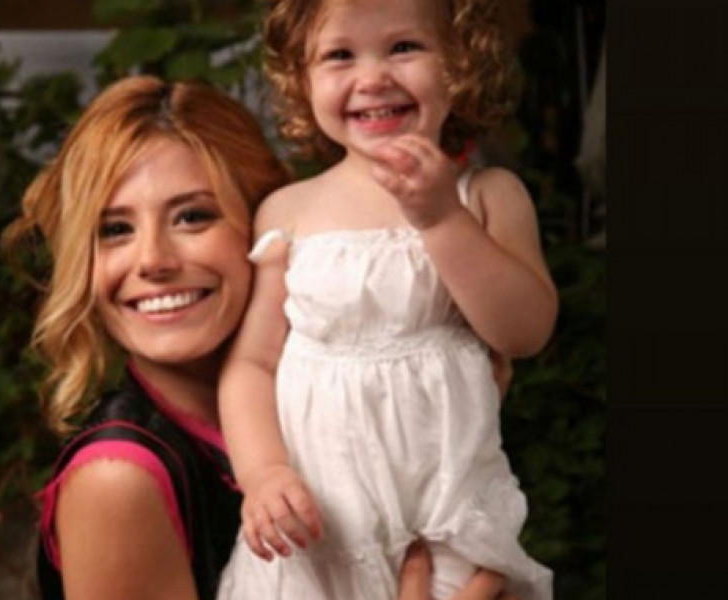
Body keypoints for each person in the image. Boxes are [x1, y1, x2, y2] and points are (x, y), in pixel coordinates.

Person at [1, 75, 519, 600]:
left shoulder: (342, 402)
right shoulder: (119, 477)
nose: (153, 260)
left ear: (267, 220)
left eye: (192, 217)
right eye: (114, 230)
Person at [216, 1, 558, 599]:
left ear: (459, 63)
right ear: (301, 79)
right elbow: (252, 364)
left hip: (447, 519)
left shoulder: (485, 196)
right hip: (316, 529)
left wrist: (442, 219)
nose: (372, 77)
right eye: (339, 55)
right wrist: (264, 472)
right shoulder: (290, 210)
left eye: (403, 47)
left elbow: (524, 332)